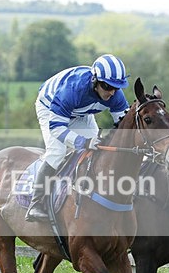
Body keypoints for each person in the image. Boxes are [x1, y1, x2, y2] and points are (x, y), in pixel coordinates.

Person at [25, 54, 130, 221]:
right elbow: (56, 128)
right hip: (50, 108)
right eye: (107, 86)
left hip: (81, 112)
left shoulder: (115, 95)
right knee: (57, 152)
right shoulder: (73, 89)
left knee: (99, 149)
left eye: (116, 88)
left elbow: (125, 126)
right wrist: (83, 142)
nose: (111, 92)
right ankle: (35, 203)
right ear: (95, 80)